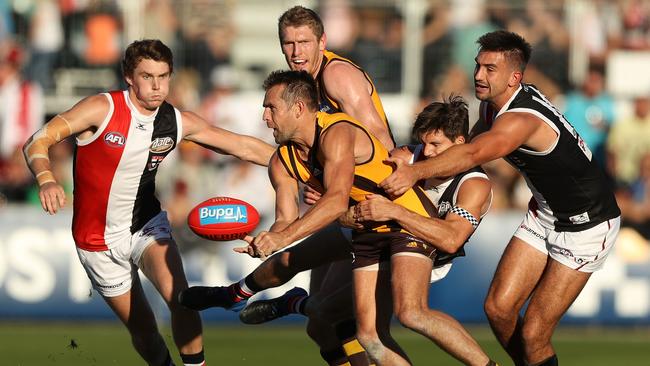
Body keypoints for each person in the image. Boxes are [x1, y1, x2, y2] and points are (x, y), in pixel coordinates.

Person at [22, 39, 275, 366]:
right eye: (147, 77)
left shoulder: (175, 121)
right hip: (97, 241)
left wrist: (307, 166)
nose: (157, 86)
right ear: (129, 76)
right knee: (143, 332)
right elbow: (37, 140)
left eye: (163, 76)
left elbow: (243, 147)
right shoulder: (102, 109)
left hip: (146, 225)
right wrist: (47, 179)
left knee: (180, 298)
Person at [379, 30, 621, 366]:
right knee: (498, 309)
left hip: (587, 225)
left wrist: (414, 172)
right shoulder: (494, 105)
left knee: (535, 333)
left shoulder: (519, 120)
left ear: (514, 77)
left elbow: (473, 153)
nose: (478, 75)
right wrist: (413, 155)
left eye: (490, 69)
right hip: (546, 214)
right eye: (478, 66)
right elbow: (465, 147)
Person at [180, 6, 394, 366]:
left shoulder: (336, 75)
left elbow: (380, 145)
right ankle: (256, 296)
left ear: (322, 42)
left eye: (304, 42)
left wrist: (331, 182)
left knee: (362, 326)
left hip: (378, 207)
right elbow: (264, 153)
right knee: (322, 328)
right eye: (288, 43)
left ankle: (269, 298)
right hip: (342, 204)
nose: (296, 52)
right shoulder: (297, 96)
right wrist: (197, 130)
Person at [241, 96, 497, 366]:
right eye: (424, 142)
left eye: (436, 144)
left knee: (342, 313)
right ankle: (239, 293)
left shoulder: (473, 185)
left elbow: (450, 239)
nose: (429, 152)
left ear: (459, 144)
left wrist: (396, 211)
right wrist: (329, 196)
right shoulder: (403, 158)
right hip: (377, 238)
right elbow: (355, 191)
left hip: (423, 254)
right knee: (354, 326)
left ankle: (295, 303)